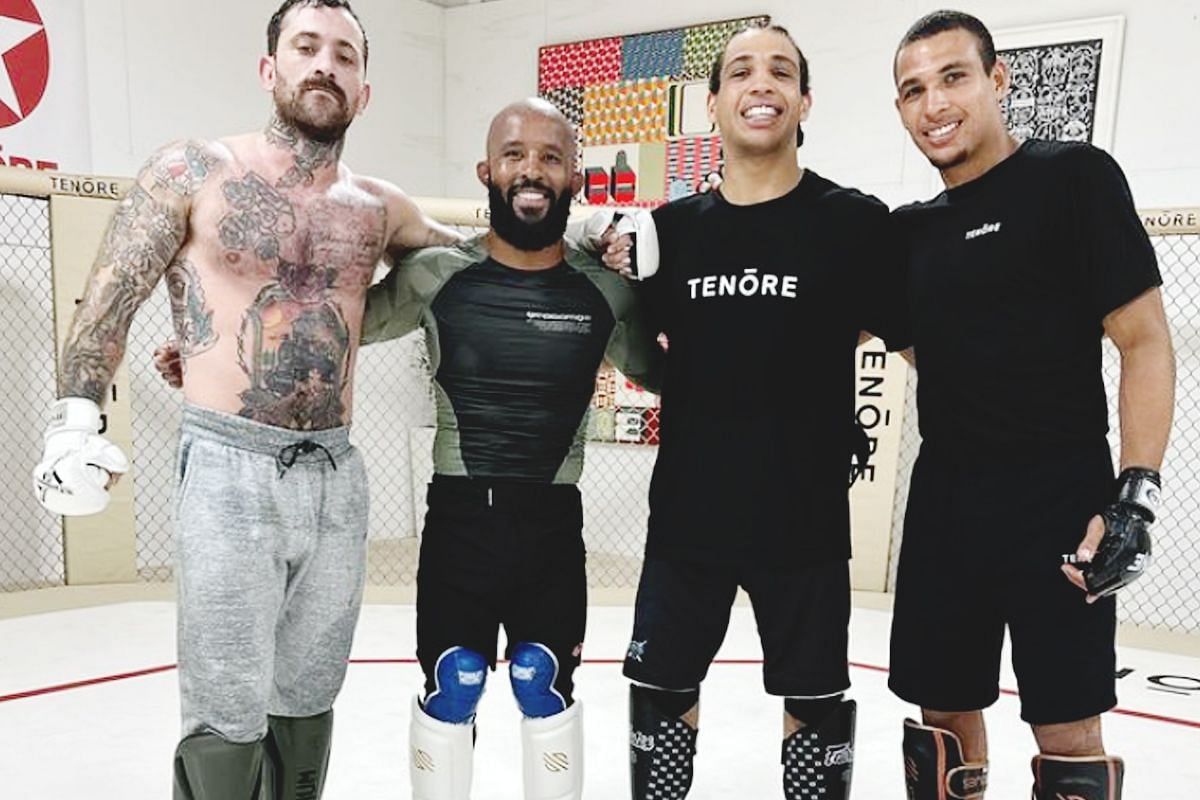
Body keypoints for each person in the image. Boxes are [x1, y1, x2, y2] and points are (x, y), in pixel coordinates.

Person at [157, 98, 661, 800]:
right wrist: (212, 352)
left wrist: (679, 292)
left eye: (551, 157)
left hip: (552, 525)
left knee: (540, 684)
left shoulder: (606, 287)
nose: (532, 170)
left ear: (575, 176)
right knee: (453, 682)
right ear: (488, 169)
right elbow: (329, 328)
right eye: (515, 154)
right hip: (460, 522)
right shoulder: (438, 272)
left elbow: (670, 375)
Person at [31, 2, 460, 798]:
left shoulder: (377, 207)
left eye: (345, 54)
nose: (325, 64)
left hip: (336, 473)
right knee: (226, 702)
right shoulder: (193, 170)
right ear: (271, 70)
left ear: (365, 90)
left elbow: (476, 262)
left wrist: (591, 240)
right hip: (229, 462)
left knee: (309, 693)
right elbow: (108, 298)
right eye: (306, 47)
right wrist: (75, 417)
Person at [609, 22, 906, 800]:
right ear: (713, 104)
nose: (760, 83)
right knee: (663, 691)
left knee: (814, 701)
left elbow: (912, 334)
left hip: (802, 521)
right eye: (740, 71)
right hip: (687, 520)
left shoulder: (852, 222)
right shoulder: (668, 233)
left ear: (805, 99)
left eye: (780, 70)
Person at [887, 11, 1174, 799]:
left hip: (1060, 499)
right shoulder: (905, 235)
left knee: (1069, 730)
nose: (933, 104)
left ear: (997, 79)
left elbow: (1145, 340)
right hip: (947, 502)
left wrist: (1134, 499)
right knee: (938, 722)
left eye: (952, 77)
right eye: (912, 90)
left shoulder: (1073, 177)